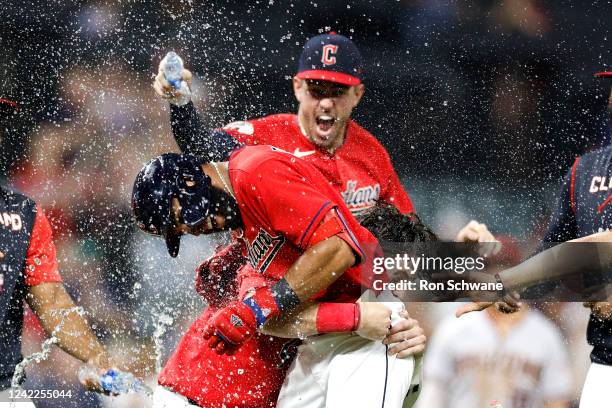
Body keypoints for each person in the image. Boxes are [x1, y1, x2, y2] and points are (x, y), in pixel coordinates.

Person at [132, 149, 421, 407]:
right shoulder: (244, 227)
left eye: (179, 219)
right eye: (179, 231)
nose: (190, 230)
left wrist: (257, 308)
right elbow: (267, 316)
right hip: (323, 340)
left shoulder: (256, 171)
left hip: (367, 320)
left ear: (190, 183)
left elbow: (340, 248)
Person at [455, 70, 612, 407]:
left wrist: (507, 281)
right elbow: (552, 258)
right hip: (606, 361)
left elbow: (601, 246)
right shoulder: (585, 171)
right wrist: (464, 264)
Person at [154, 32, 415, 215]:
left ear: (357, 95)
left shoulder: (371, 152)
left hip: (342, 288)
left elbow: (409, 242)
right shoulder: (264, 135)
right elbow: (200, 146)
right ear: (298, 88)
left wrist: (452, 263)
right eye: (316, 90)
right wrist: (180, 103)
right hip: (271, 285)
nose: (325, 103)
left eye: (337, 92)